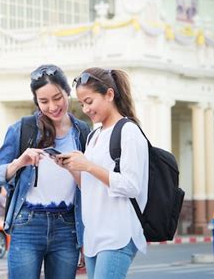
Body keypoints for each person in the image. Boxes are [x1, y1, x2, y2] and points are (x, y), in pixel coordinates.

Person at [0, 64, 90, 279]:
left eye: (57, 97)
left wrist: (84, 237)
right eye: (44, 101)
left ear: (67, 93)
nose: (52, 106)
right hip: (27, 224)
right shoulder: (22, 129)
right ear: (36, 102)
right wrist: (19, 162)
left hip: (67, 227)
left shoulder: (82, 132)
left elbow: (89, 187)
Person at [59, 68, 149, 279]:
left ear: (109, 94)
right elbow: (90, 187)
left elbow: (131, 185)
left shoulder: (128, 131)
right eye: (82, 104)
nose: (86, 109)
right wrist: (73, 168)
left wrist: (89, 165)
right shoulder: (94, 136)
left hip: (118, 233)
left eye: (89, 101)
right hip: (94, 235)